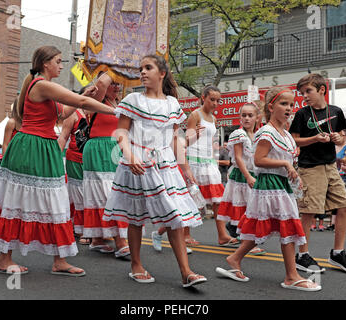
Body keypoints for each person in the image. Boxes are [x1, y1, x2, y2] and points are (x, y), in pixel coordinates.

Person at [0, 45, 116, 276]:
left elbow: (62, 114)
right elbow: (80, 105)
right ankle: (4, 259)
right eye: (58, 61)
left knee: (55, 203)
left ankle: (59, 260)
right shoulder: (41, 84)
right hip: (33, 147)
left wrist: (84, 95)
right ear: (45, 63)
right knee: (21, 202)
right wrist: (116, 112)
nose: (61, 65)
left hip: (42, 147)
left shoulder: (43, 86)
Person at [103, 54, 206, 287]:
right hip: (137, 164)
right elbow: (121, 133)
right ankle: (136, 264)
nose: (142, 72)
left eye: (148, 68)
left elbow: (173, 140)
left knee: (175, 216)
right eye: (140, 68)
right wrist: (130, 157)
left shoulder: (172, 104)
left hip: (165, 166)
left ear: (162, 73)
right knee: (136, 216)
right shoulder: (133, 100)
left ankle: (186, 272)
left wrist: (184, 167)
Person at [216, 87, 320, 291]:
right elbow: (258, 161)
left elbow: (284, 160)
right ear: (271, 107)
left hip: (280, 185)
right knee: (287, 227)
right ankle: (291, 275)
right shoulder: (267, 132)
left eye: (291, 104)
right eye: (284, 104)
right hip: (268, 185)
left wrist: (292, 172)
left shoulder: (286, 135)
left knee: (263, 228)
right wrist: (285, 165)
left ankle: (234, 258)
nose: (289, 108)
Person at [289, 73, 346, 274]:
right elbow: (294, 140)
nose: (305, 96)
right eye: (302, 93)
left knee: (345, 206)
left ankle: (338, 253)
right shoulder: (302, 114)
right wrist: (314, 139)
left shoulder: (336, 111)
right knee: (309, 211)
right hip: (310, 167)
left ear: (321, 90)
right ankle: (302, 255)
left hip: (330, 166)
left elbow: (343, 138)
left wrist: (338, 138)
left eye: (308, 91)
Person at [80, 73, 130, 258]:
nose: (116, 87)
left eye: (119, 84)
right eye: (113, 83)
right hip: (99, 148)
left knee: (113, 192)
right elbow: (101, 81)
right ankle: (120, 240)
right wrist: (115, 63)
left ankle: (97, 239)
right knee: (106, 193)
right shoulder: (97, 99)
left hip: (116, 150)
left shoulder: (121, 104)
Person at [186, 85, 238, 247]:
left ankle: (222, 235)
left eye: (218, 100)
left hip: (209, 161)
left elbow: (211, 142)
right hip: (194, 160)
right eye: (212, 99)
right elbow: (185, 141)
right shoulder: (195, 115)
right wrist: (196, 134)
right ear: (203, 97)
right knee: (191, 198)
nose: (215, 103)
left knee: (217, 200)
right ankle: (185, 234)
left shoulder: (214, 119)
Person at [217, 102, 266, 256]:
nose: (246, 118)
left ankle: (244, 238)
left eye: (250, 115)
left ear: (257, 117)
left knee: (252, 210)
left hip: (254, 174)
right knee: (246, 210)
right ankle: (246, 242)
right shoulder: (238, 134)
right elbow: (237, 158)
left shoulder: (258, 135)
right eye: (243, 115)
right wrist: (248, 176)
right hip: (242, 176)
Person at [57, 85, 96, 246]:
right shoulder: (73, 114)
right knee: (80, 195)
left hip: (94, 160)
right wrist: (55, 158)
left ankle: (95, 229)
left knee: (93, 194)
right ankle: (82, 229)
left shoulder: (97, 113)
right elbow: (63, 137)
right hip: (75, 159)